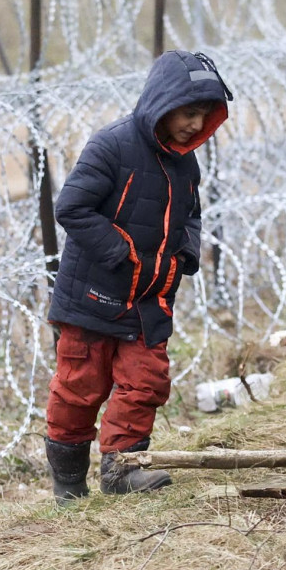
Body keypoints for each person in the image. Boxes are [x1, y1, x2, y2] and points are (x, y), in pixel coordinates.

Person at [44, 50, 233, 503]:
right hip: (93, 296)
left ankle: (123, 469)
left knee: (145, 382)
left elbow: (191, 216)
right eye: (189, 113)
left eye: (204, 116)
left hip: (150, 298)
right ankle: (69, 483)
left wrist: (184, 257)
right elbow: (71, 208)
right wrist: (123, 254)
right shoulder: (111, 145)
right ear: (163, 102)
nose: (194, 124)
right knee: (79, 388)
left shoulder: (186, 165)